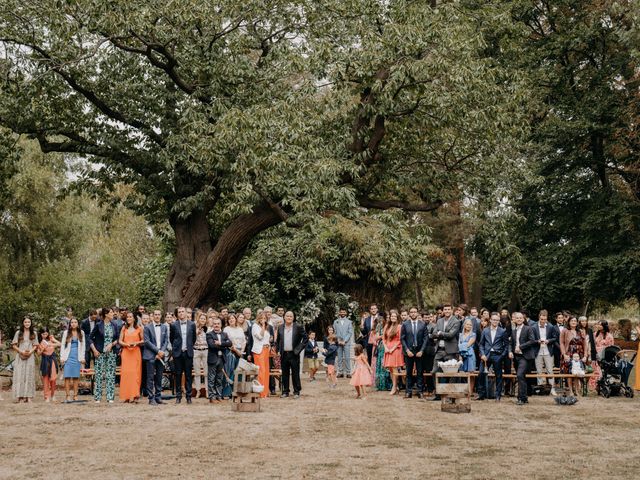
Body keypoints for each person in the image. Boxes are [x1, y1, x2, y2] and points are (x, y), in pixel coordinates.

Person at [430, 304, 461, 400]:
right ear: (443, 311)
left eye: (448, 309)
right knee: (435, 372)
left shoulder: (456, 321)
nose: (447, 311)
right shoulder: (439, 321)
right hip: (439, 350)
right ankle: (438, 394)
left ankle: (449, 395)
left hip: (450, 351)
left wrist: (440, 333)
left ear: (451, 310)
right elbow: (433, 334)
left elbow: (451, 335)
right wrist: (440, 334)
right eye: (445, 309)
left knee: (451, 374)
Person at [477, 312, 510, 402]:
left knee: (498, 376)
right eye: (493, 319)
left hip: (497, 356)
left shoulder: (502, 331)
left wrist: (502, 356)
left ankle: (498, 395)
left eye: (497, 320)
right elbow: (481, 344)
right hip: (486, 355)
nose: (495, 321)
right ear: (490, 320)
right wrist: (482, 354)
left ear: (498, 321)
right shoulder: (485, 330)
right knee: (480, 374)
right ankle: (481, 394)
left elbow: (506, 346)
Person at [90, 307, 120, 403]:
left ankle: (110, 397)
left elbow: (118, 339)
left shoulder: (114, 325)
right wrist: (94, 350)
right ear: (106, 314)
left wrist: (112, 344)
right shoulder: (99, 325)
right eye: (111, 312)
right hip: (100, 353)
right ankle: (97, 397)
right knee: (98, 375)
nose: (113, 314)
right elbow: (90, 338)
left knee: (110, 375)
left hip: (111, 354)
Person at [277, 311, 308, 399]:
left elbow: (305, 339)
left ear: (293, 318)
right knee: (285, 374)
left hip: (294, 354)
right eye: (287, 316)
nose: (289, 317)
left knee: (295, 373)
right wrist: (278, 350)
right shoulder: (280, 327)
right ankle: (285, 391)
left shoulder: (298, 327)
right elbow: (278, 341)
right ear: (284, 317)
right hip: (284, 354)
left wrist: (298, 349)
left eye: (291, 316)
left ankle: (296, 391)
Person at [401, 307, 429, 399]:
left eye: (415, 312)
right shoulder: (405, 324)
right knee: (408, 372)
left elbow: (426, 339)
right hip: (409, 351)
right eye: (411, 312)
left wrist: (421, 350)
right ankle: (408, 392)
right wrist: (407, 350)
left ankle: (420, 391)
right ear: (409, 314)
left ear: (417, 313)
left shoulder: (422, 324)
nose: (413, 314)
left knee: (420, 372)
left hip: (419, 351)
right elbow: (402, 338)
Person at [170, 306, 196, 404]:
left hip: (188, 352)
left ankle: (189, 396)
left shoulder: (192, 324)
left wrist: (188, 347)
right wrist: (177, 348)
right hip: (178, 353)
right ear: (177, 314)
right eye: (179, 312)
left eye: (182, 312)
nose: (181, 313)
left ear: (186, 313)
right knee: (178, 375)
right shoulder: (173, 325)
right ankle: (178, 396)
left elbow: (194, 338)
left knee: (188, 375)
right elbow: (171, 339)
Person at [510, 312, 536, 406]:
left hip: (525, 356)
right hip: (516, 357)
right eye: (517, 318)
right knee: (521, 377)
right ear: (514, 320)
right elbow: (511, 343)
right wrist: (510, 351)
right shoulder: (513, 330)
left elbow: (532, 340)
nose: (519, 319)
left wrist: (521, 347)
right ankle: (524, 397)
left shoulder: (528, 328)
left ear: (523, 319)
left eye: (521, 318)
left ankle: (520, 398)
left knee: (520, 375)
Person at [143, 309, 169, 405]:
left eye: (159, 314)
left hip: (161, 355)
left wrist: (161, 351)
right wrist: (157, 351)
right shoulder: (147, 327)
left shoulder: (164, 327)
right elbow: (147, 341)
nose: (157, 316)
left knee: (159, 377)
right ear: (152, 316)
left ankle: (158, 397)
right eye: (156, 314)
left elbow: (166, 341)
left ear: (161, 316)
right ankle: (151, 398)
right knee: (150, 378)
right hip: (150, 355)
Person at [11, 317, 38, 403]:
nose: (27, 323)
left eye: (28, 322)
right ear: (23, 323)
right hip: (20, 356)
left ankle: (29, 396)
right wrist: (21, 351)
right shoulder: (18, 333)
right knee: (20, 375)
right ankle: (20, 397)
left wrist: (30, 352)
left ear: (31, 323)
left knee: (29, 375)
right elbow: (14, 345)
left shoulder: (34, 333)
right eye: (25, 322)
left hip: (30, 356)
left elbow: (35, 345)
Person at [532, 309, 559, 396]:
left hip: (548, 351)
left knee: (550, 370)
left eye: (545, 319)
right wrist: (537, 341)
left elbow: (554, 338)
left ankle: (552, 388)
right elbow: (531, 339)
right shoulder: (533, 326)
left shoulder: (551, 327)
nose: (543, 321)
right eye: (541, 319)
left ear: (547, 318)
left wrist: (548, 341)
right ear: (539, 317)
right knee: (539, 371)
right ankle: (539, 388)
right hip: (538, 351)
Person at [118, 311, 143, 403]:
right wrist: (126, 344)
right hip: (126, 352)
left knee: (135, 374)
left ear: (134, 318)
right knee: (126, 373)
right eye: (127, 317)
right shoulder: (124, 328)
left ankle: (134, 395)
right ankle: (127, 395)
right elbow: (120, 340)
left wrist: (136, 343)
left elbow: (143, 340)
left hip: (135, 352)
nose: (128, 318)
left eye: (130, 317)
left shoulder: (139, 328)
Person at [560, 316, 588, 396]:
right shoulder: (565, 331)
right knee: (569, 372)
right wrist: (564, 354)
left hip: (579, 354)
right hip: (568, 353)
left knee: (577, 371)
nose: (573, 322)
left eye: (575, 321)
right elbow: (561, 343)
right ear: (568, 322)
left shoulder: (581, 331)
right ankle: (571, 391)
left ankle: (576, 390)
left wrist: (585, 355)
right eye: (572, 321)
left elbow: (585, 344)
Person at [206, 318, 232, 403]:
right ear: (213, 325)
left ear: (221, 325)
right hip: (213, 359)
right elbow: (212, 345)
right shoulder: (209, 334)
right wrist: (224, 345)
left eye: (218, 324)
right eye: (215, 324)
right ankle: (212, 397)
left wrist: (220, 343)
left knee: (219, 379)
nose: (216, 325)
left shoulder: (225, 334)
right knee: (211, 378)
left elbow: (230, 343)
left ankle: (218, 395)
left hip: (222, 359)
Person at [60, 317, 86, 402]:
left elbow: (83, 346)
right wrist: (62, 358)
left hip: (77, 357)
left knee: (76, 377)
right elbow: (63, 345)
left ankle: (75, 395)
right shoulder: (66, 333)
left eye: (75, 322)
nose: (73, 324)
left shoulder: (81, 333)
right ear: (70, 324)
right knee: (67, 377)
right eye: (72, 322)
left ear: (78, 324)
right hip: (68, 356)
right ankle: (67, 395)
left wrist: (82, 358)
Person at [223, 314, 246, 398]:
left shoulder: (240, 329)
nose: (231, 320)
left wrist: (242, 351)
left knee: (239, 372)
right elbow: (226, 341)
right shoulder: (226, 329)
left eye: (232, 318)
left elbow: (244, 341)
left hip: (240, 352)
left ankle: (238, 391)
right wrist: (235, 350)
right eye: (229, 319)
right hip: (231, 351)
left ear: (235, 319)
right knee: (230, 371)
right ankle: (228, 393)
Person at [588, 320, 615, 391]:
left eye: (600, 325)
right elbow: (591, 345)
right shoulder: (594, 334)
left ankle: (603, 384)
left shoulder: (609, 336)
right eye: (598, 325)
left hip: (605, 356)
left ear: (604, 326)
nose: (598, 326)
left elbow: (611, 347)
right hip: (595, 355)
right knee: (595, 370)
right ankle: (595, 385)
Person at [383, 310, 404, 395]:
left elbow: (400, 340)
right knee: (391, 369)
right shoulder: (387, 326)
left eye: (395, 316)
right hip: (387, 349)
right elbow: (384, 338)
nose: (393, 318)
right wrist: (386, 347)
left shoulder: (399, 327)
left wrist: (393, 349)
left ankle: (394, 387)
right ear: (390, 317)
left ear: (397, 317)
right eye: (392, 316)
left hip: (395, 349)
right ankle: (395, 386)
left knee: (394, 368)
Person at [37, 327, 60, 402]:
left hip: (52, 360)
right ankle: (46, 396)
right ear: (41, 334)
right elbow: (38, 353)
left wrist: (53, 339)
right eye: (43, 334)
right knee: (46, 379)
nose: (45, 335)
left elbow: (60, 344)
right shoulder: (39, 342)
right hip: (45, 361)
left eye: (46, 333)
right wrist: (43, 349)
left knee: (53, 379)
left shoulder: (50, 340)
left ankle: (53, 395)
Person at [251, 312, 271, 398]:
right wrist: (263, 326)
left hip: (266, 350)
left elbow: (267, 339)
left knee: (266, 371)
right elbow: (260, 337)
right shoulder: (255, 326)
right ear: (258, 318)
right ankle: (260, 392)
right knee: (261, 371)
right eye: (261, 318)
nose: (263, 320)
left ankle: (265, 392)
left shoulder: (267, 327)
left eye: (265, 318)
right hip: (259, 351)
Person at [193, 312, 209, 399]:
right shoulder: (194, 327)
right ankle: (198, 390)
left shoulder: (208, 328)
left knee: (206, 372)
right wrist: (196, 332)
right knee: (197, 372)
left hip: (205, 351)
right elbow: (191, 338)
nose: (203, 320)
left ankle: (207, 390)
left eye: (204, 319)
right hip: (196, 351)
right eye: (201, 318)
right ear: (198, 319)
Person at [333, 308, 353, 378]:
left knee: (347, 357)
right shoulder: (335, 322)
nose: (342, 313)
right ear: (339, 313)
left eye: (344, 312)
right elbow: (334, 332)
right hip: (338, 342)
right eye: (341, 312)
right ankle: (340, 372)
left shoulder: (349, 322)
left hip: (346, 343)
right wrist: (338, 340)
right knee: (339, 358)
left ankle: (348, 372)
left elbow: (350, 332)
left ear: (346, 313)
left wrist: (344, 341)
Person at [458, 319, 477, 392]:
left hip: (470, 355)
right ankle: (463, 390)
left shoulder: (473, 334)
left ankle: (470, 390)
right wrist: (460, 354)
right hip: (461, 355)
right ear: (464, 325)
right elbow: (458, 345)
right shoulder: (460, 335)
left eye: (470, 325)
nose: (468, 326)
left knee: (470, 373)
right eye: (467, 324)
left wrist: (461, 345)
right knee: (462, 372)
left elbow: (469, 344)